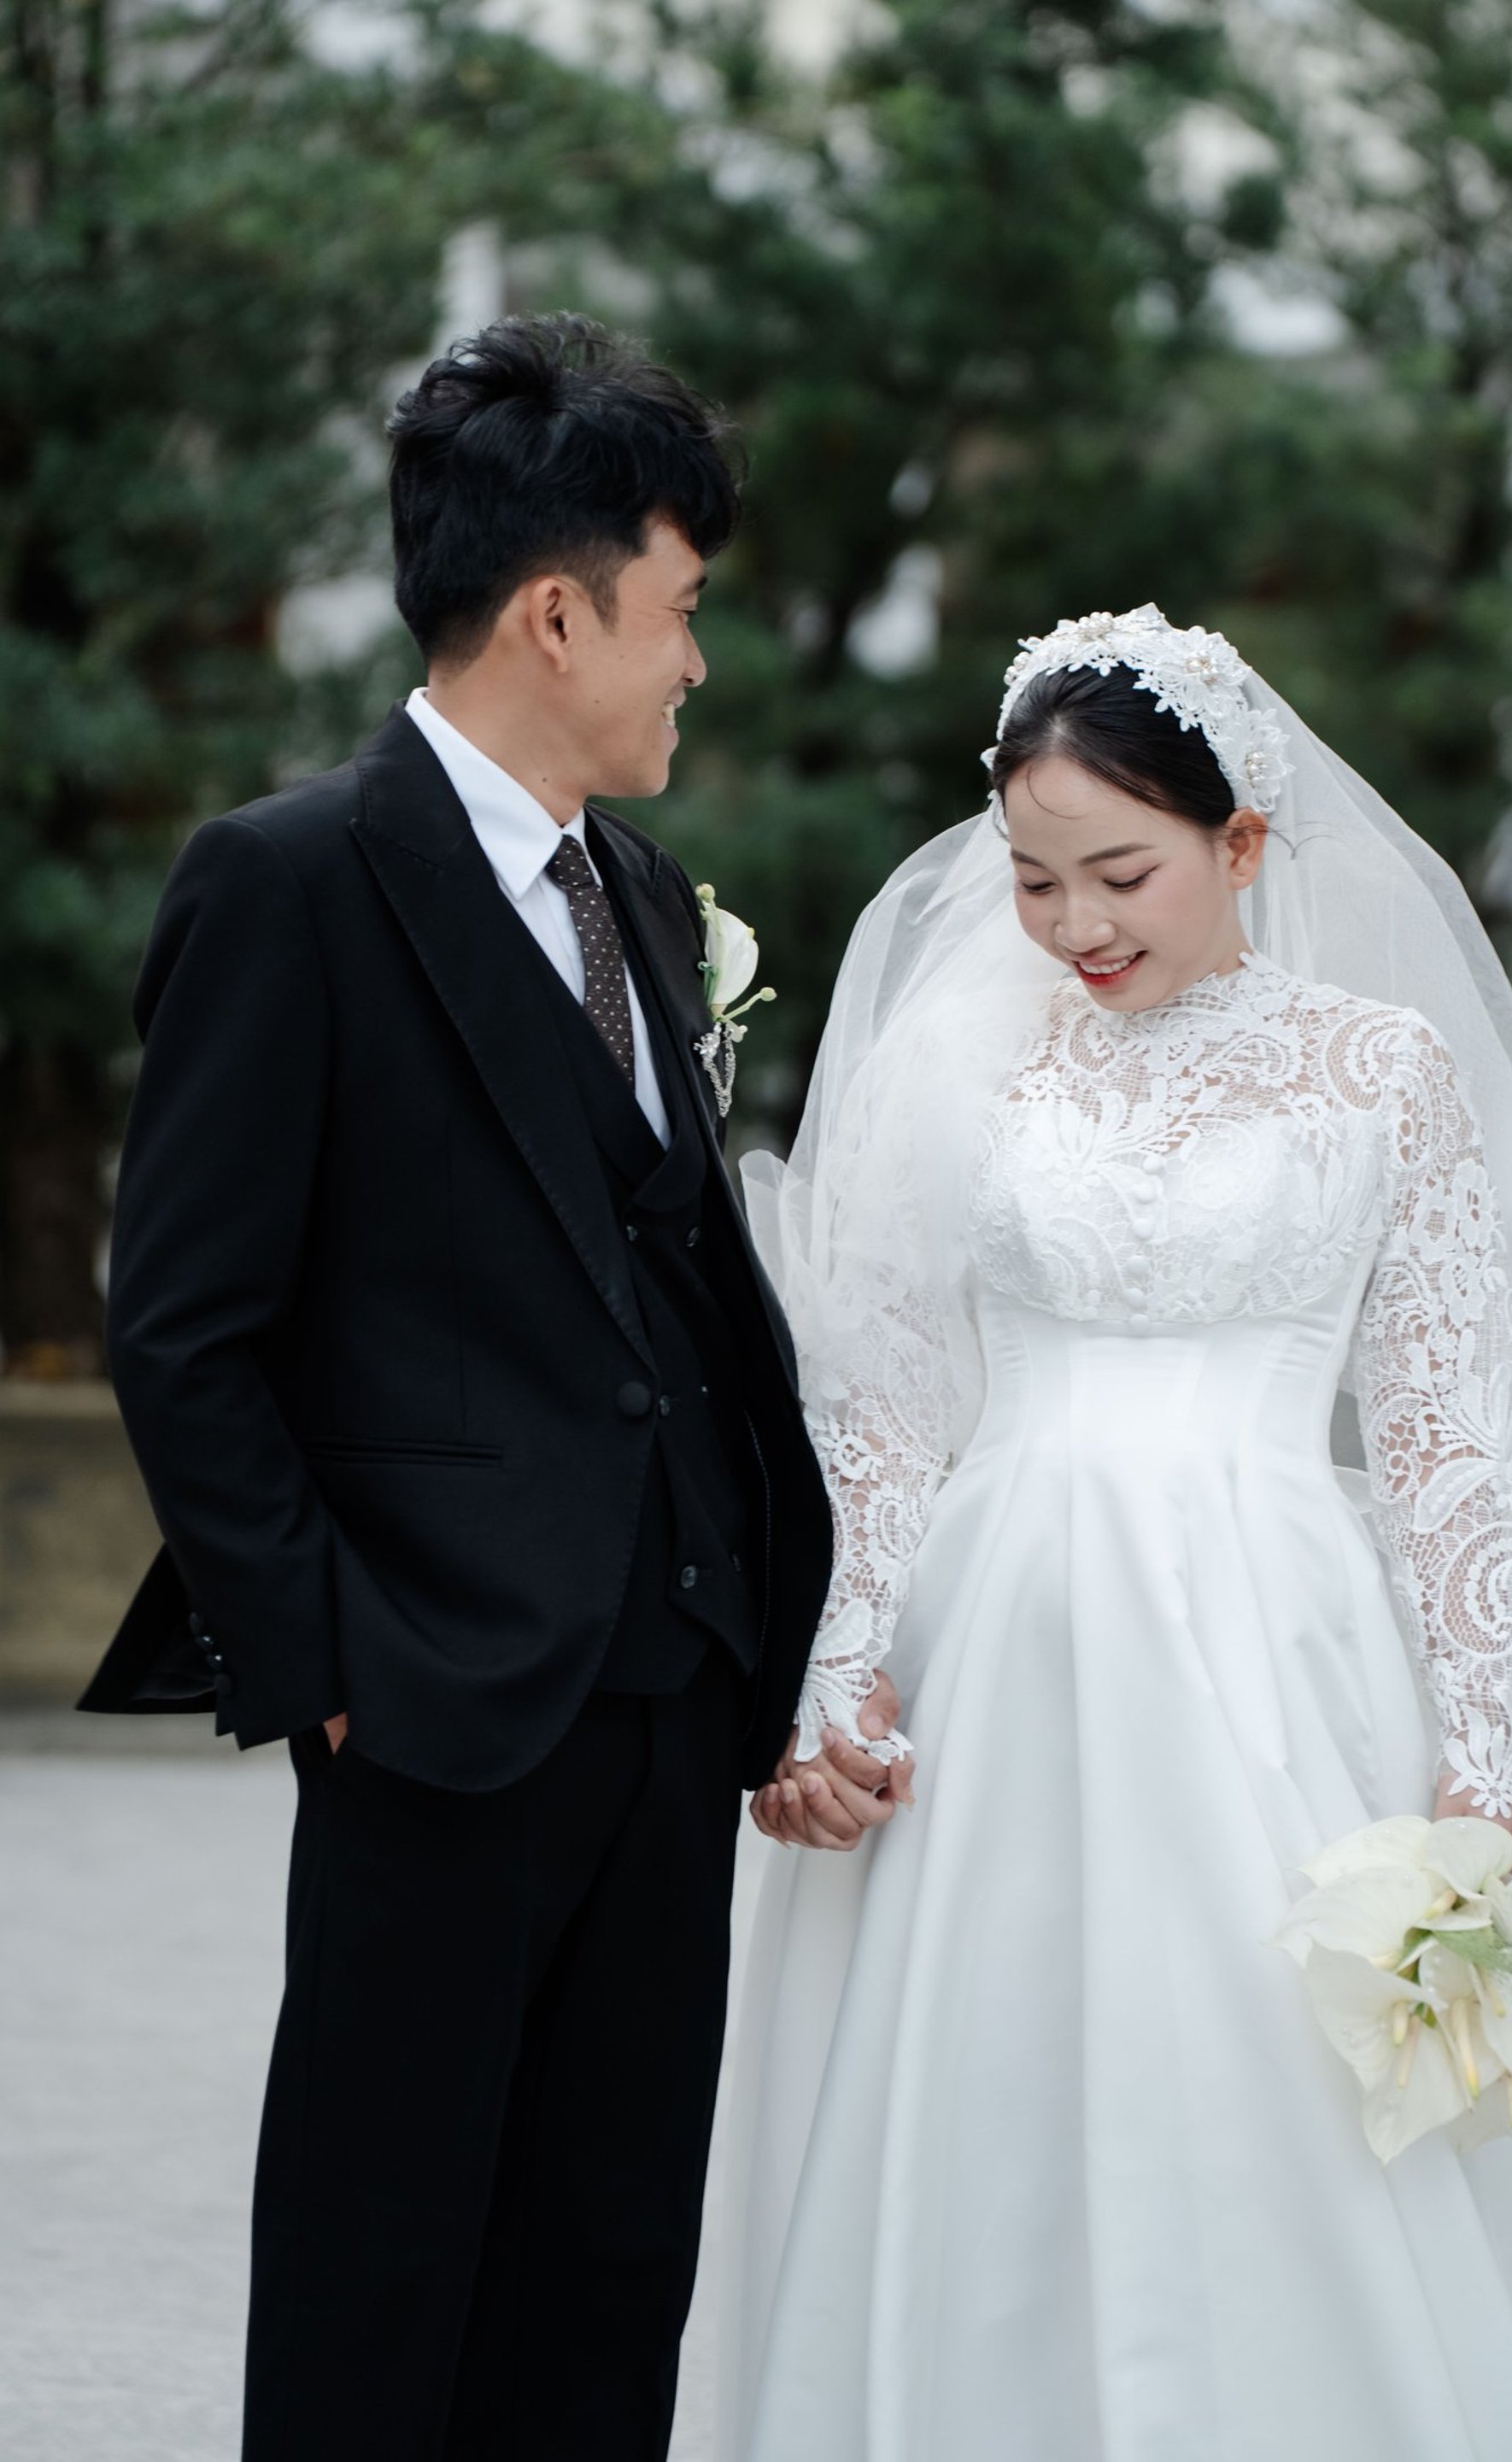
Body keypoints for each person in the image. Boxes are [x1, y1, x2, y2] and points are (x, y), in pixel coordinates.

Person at [78, 311, 903, 2462]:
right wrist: (323, 1656)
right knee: (383, 2272)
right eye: (682, 608)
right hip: (430, 1710)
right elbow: (179, 1320)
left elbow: (666, 1277)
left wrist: (777, 1627)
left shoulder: (628, 887)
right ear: (559, 607)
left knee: (607, 2271)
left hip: (664, 1696)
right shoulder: (289, 879)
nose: (697, 663)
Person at [717, 604, 1512, 2460]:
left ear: (1242, 841)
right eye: (1036, 879)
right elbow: (882, 1404)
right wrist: (835, 1674)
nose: (1076, 927)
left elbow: (1455, 1423)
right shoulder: (962, 1062)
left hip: (1272, 1640)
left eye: (1120, 872)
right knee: (1000, 2087)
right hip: (1005, 1640)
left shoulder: (1379, 1069)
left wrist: (1486, 1756)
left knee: (1269, 2089)